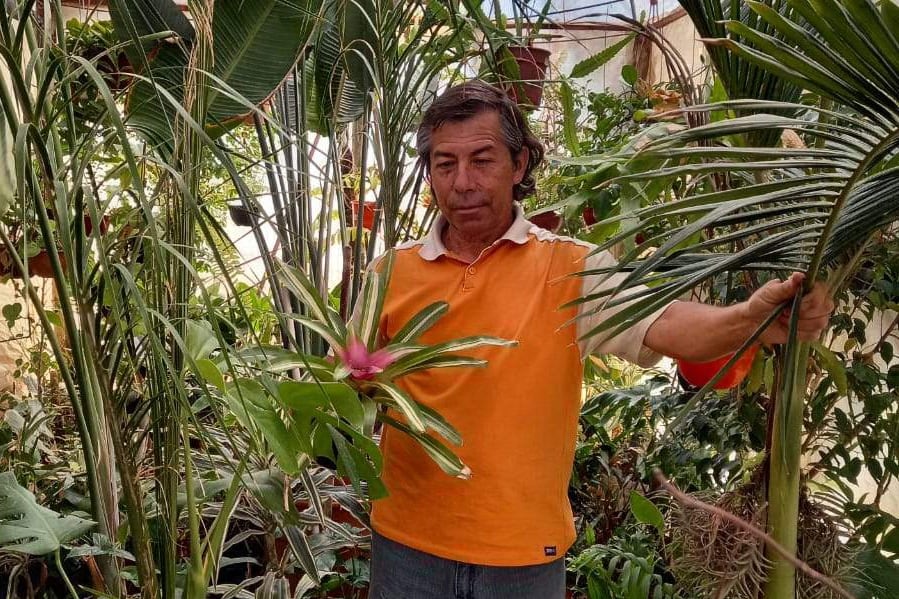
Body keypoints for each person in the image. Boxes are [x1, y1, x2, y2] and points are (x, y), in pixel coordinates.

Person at [364, 80, 833, 599]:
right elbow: (348, 382)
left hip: (523, 558)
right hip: (407, 547)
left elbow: (664, 323)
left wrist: (752, 319)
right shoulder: (391, 271)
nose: (463, 182)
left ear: (519, 166)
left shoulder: (570, 267)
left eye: (482, 159)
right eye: (445, 164)